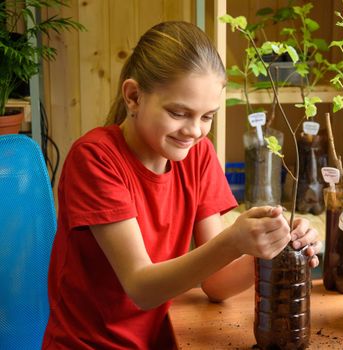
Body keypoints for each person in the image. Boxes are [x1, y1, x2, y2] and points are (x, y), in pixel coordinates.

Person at [42, 21, 320, 349]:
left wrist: (269, 248)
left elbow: (216, 284)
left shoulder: (197, 156)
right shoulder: (94, 159)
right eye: (179, 113)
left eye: (207, 117)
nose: (194, 131)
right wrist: (234, 240)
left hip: (161, 339)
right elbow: (141, 288)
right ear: (133, 97)